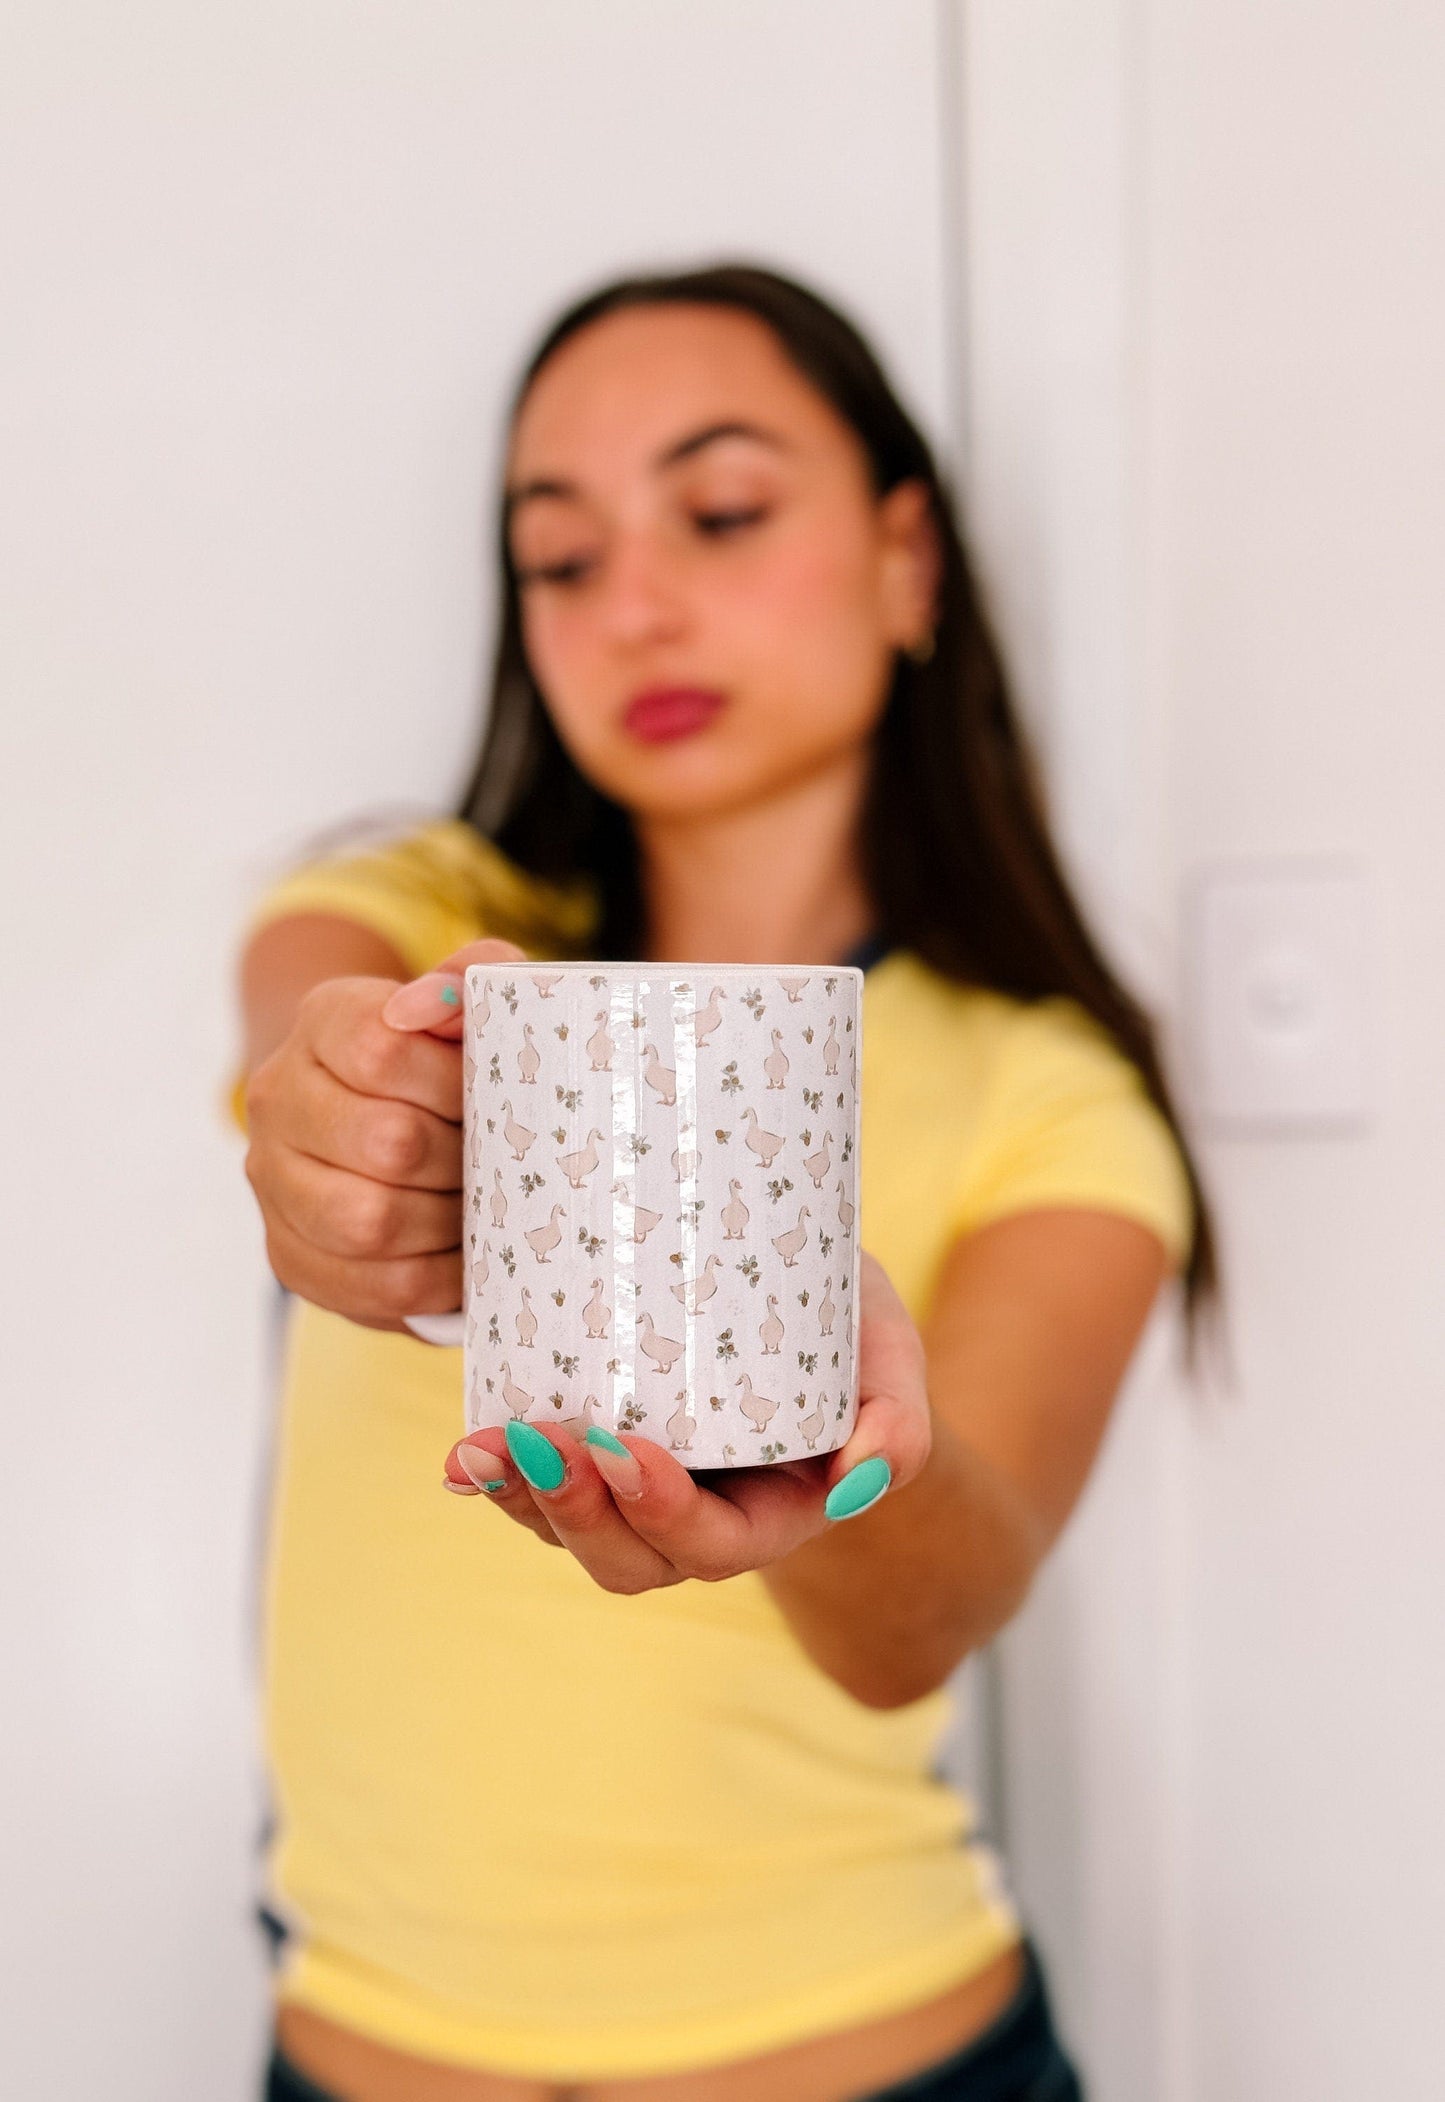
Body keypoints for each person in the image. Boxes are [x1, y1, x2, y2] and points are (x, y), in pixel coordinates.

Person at [230, 262, 1218, 2102]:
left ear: (905, 556)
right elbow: (309, 994)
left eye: (723, 510)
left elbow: (934, 1611)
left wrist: (841, 1450)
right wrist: (355, 1119)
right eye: (562, 557)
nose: (639, 608)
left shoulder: (1047, 1087)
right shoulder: (439, 924)